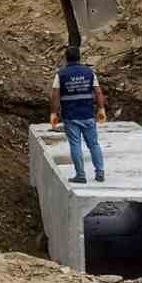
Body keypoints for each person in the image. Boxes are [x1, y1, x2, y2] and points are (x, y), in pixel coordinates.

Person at [50, 46, 107, 184]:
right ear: (79, 57)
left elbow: (55, 96)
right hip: (88, 114)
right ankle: (100, 173)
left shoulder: (61, 74)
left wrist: (54, 113)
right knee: (93, 144)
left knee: (75, 145)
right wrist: (101, 109)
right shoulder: (89, 72)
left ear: (66, 58)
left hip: (70, 116)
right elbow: (98, 92)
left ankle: (80, 175)